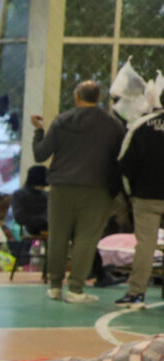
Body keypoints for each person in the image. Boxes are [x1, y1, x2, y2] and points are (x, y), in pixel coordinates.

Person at [31, 80, 125, 303]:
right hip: (97, 188)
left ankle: (54, 286)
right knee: (86, 238)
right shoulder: (112, 124)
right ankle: (75, 289)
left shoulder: (62, 120)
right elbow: (122, 156)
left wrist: (38, 131)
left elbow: (40, 155)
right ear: (99, 98)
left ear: (76, 97)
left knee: (58, 237)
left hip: (61, 187)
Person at [117, 100, 164, 309]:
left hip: (146, 196)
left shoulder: (142, 125)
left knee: (145, 245)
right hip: (145, 194)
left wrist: (131, 193)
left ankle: (136, 295)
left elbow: (125, 163)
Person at [10, 165, 49, 236]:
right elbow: (20, 217)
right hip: (29, 231)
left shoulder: (46, 195)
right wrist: (43, 219)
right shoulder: (19, 195)